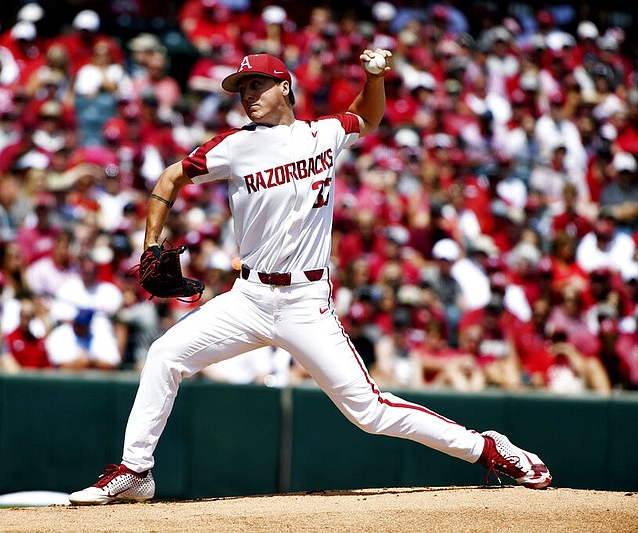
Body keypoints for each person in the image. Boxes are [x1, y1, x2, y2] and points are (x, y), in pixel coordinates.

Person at [69, 50, 552, 505]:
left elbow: (367, 118)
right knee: (164, 354)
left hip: (306, 301)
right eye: (242, 87)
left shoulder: (322, 133)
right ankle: (135, 471)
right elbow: (169, 178)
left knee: (370, 412)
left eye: (257, 84)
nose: (247, 94)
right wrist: (152, 243)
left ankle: (488, 449)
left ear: (286, 86)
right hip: (250, 296)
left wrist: (375, 79)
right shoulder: (234, 147)